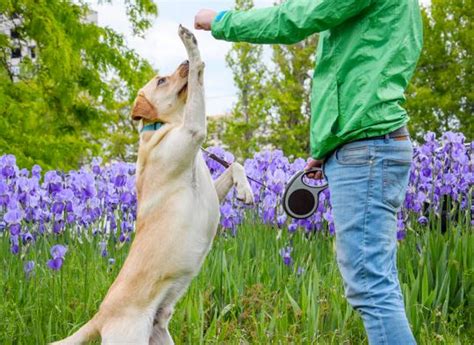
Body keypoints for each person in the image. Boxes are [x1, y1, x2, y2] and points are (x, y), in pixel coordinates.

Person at [195, 1, 422, 344]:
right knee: (377, 281)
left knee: (371, 288)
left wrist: (223, 22)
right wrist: (328, 146)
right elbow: (366, 67)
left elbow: (297, 17)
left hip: (367, 149)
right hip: (370, 144)